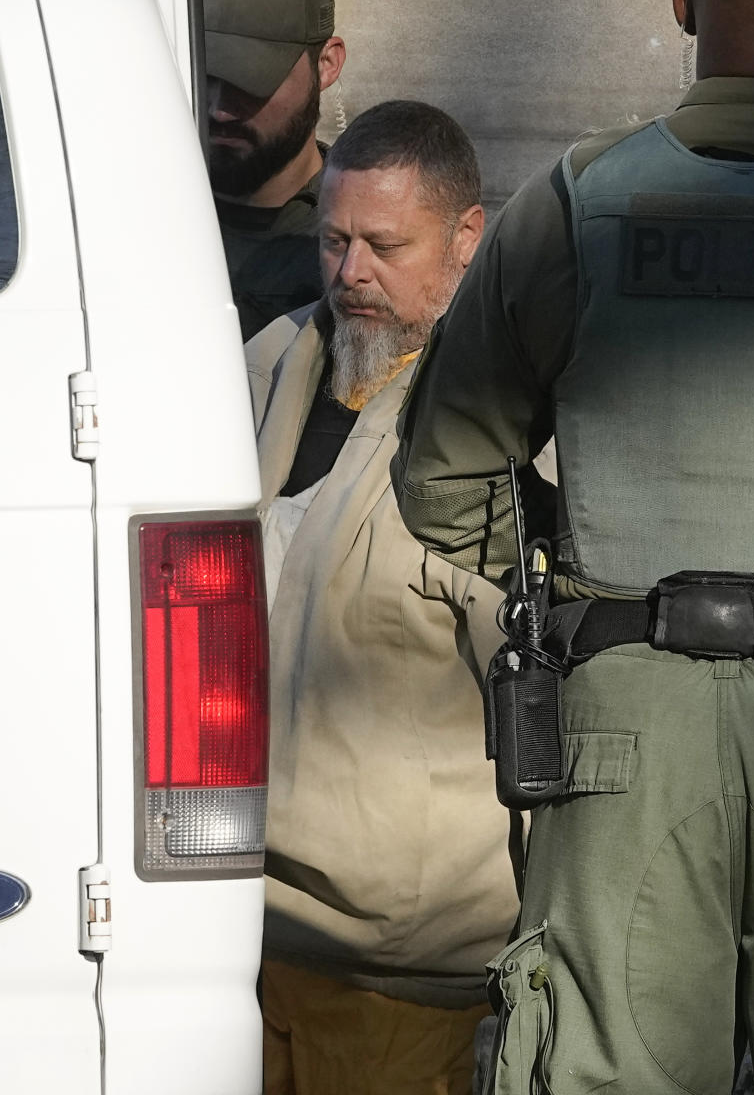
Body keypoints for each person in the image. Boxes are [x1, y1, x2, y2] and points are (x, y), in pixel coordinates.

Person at [392, 0, 754, 1091]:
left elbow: (444, 478)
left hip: (622, 724)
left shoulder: (572, 207)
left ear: (683, 8)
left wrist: (578, 571)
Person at [245, 100, 520, 1095]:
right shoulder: (273, 362)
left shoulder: (511, 421)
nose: (351, 271)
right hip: (236, 922)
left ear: (465, 240)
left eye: (384, 245)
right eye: (333, 240)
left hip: (406, 964)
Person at [202, 0, 346, 339]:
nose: (219, 109)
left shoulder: (364, 240)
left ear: (327, 64)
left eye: (251, 80)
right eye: (205, 75)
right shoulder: (130, 214)